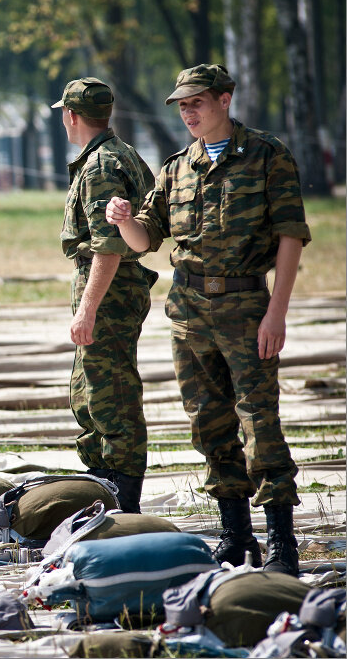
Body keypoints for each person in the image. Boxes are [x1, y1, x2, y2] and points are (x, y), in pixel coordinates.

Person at [105, 64, 311, 576]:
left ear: (225, 99)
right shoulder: (176, 167)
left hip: (246, 310)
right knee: (209, 427)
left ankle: (283, 543)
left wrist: (277, 313)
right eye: (182, 106)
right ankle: (236, 537)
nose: (189, 113)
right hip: (189, 313)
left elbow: (290, 235)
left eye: (197, 102)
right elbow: (144, 240)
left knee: (260, 423)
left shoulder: (267, 155)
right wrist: (125, 219)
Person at [51, 77, 157, 515]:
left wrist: (87, 310)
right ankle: (104, 489)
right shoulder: (121, 154)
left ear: (71, 116)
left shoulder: (100, 167)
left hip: (110, 295)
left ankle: (122, 502)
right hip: (116, 291)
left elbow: (109, 245)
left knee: (110, 398)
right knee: (88, 393)